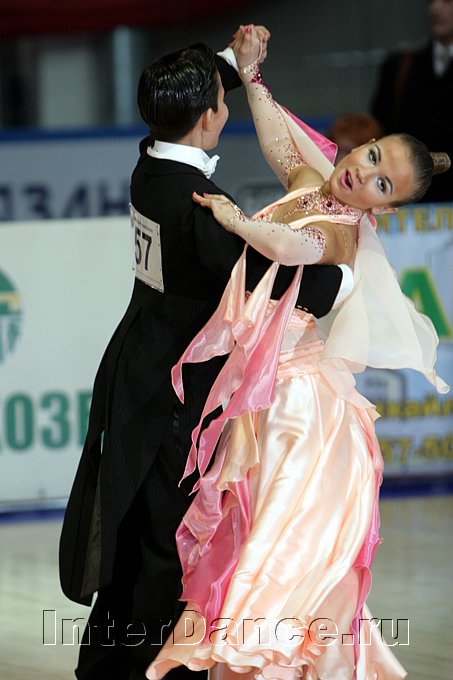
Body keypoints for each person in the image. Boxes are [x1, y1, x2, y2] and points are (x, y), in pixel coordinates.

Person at [145, 25, 450, 680]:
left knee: (274, 542)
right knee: (255, 531)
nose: (362, 173)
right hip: (265, 393)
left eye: (380, 184)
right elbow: (279, 141)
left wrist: (235, 220)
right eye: (370, 156)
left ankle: (260, 654)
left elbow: (290, 247)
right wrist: (252, 77)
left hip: (296, 409)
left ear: (385, 209)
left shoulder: (341, 238)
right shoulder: (315, 182)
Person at [58, 26, 347, 680]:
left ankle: (106, 667)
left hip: (139, 370)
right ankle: (151, 668)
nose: (224, 106)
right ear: (209, 117)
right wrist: (349, 275)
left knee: (138, 529)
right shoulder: (195, 207)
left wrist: (235, 65)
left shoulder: (151, 163)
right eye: (221, 98)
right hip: (173, 393)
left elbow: (182, 100)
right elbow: (272, 279)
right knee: (168, 539)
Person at [371, 0, 453, 202]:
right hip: (405, 204)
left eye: (447, 1)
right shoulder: (400, 67)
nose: (436, 8)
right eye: (432, 1)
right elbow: (378, 132)